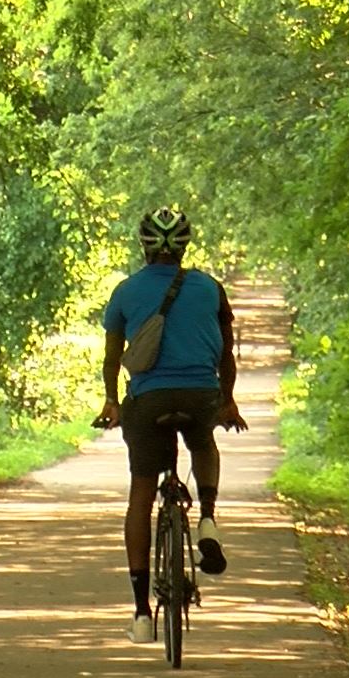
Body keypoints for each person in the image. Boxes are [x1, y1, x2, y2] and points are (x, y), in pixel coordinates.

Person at [97, 207, 248, 645]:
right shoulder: (210, 288)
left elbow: (112, 357)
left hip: (148, 400)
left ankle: (142, 614)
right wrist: (228, 402)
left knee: (141, 495)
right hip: (201, 395)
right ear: (184, 246)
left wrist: (112, 402)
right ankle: (208, 520)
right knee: (202, 443)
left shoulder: (126, 291)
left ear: (144, 246)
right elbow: (225, 356)